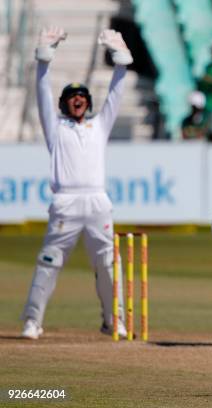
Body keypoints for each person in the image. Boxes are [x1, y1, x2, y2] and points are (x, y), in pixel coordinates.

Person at [21, 27, 133, 339]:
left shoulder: (99, 126)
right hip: (66, 203)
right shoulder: (55, 128)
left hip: (98, 202)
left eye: (82, 96)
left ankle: (115, 320)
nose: (78, 100)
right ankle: (32, 321)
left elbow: (116, 94)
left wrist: (121, 61)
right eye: (72, 98)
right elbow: (42, 93)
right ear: (64, 104)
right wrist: (44, 58)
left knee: (109, 265)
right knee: (49, 261)